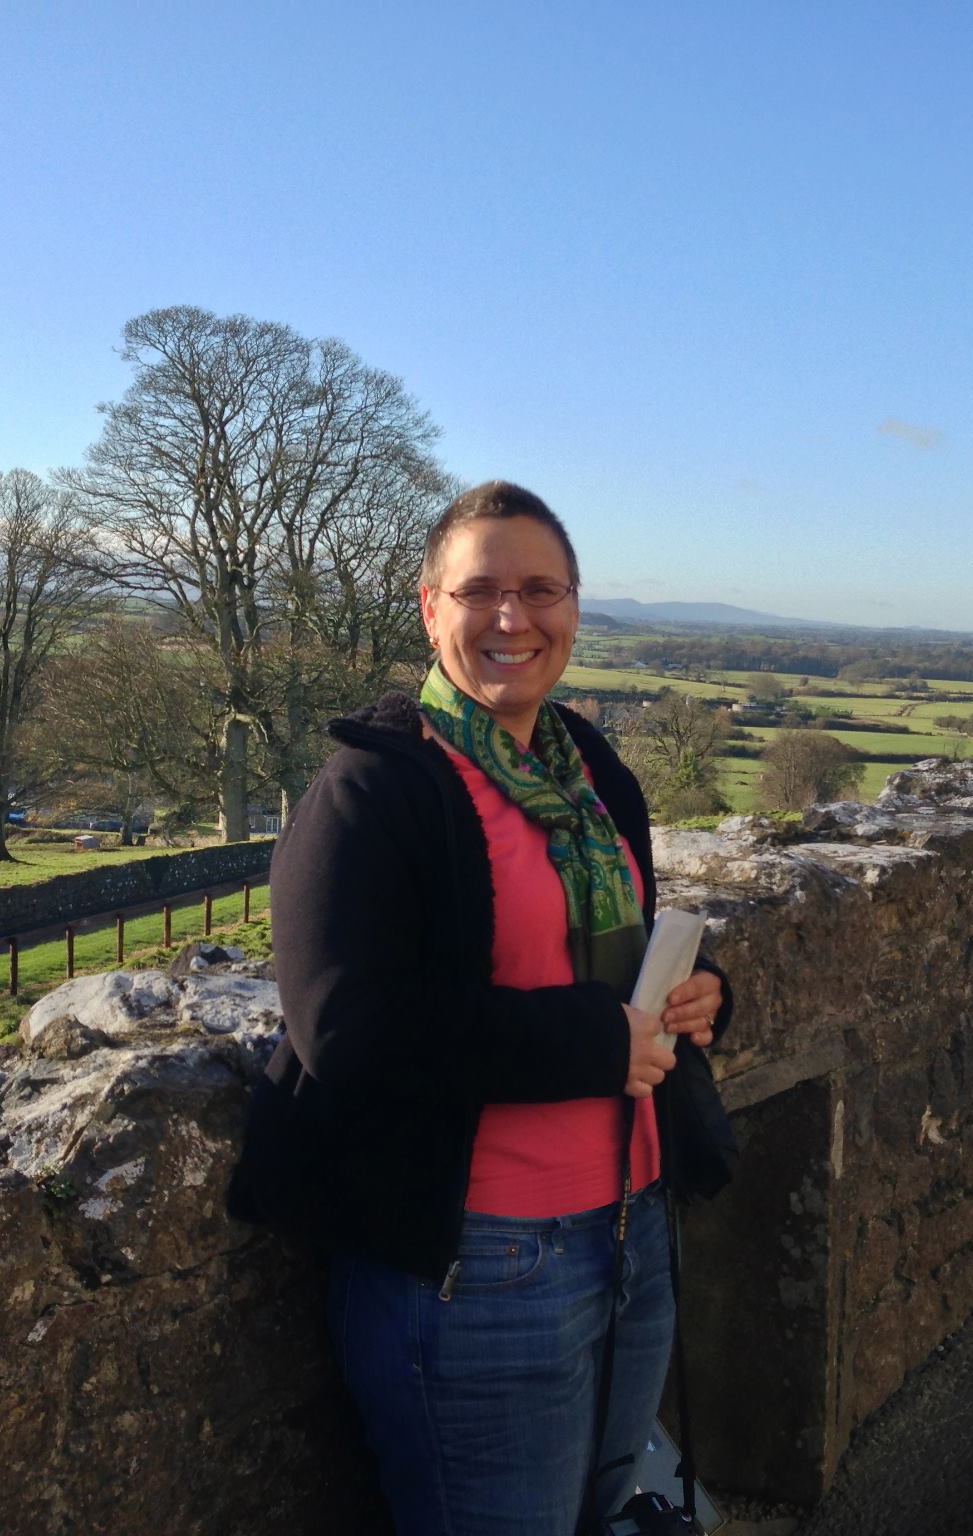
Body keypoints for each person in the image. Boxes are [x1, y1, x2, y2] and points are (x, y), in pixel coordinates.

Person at [228, 480, 732, 1535]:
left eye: (540, 589)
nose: (513, 618)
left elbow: (608, 961)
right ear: (428, 608)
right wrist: (591, 1042)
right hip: (480, 1270)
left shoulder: (589, 771)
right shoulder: (372, 793)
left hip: (632, 1232)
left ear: (574, 609)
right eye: (481, 591)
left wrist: (697, 998)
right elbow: (346, 1027)